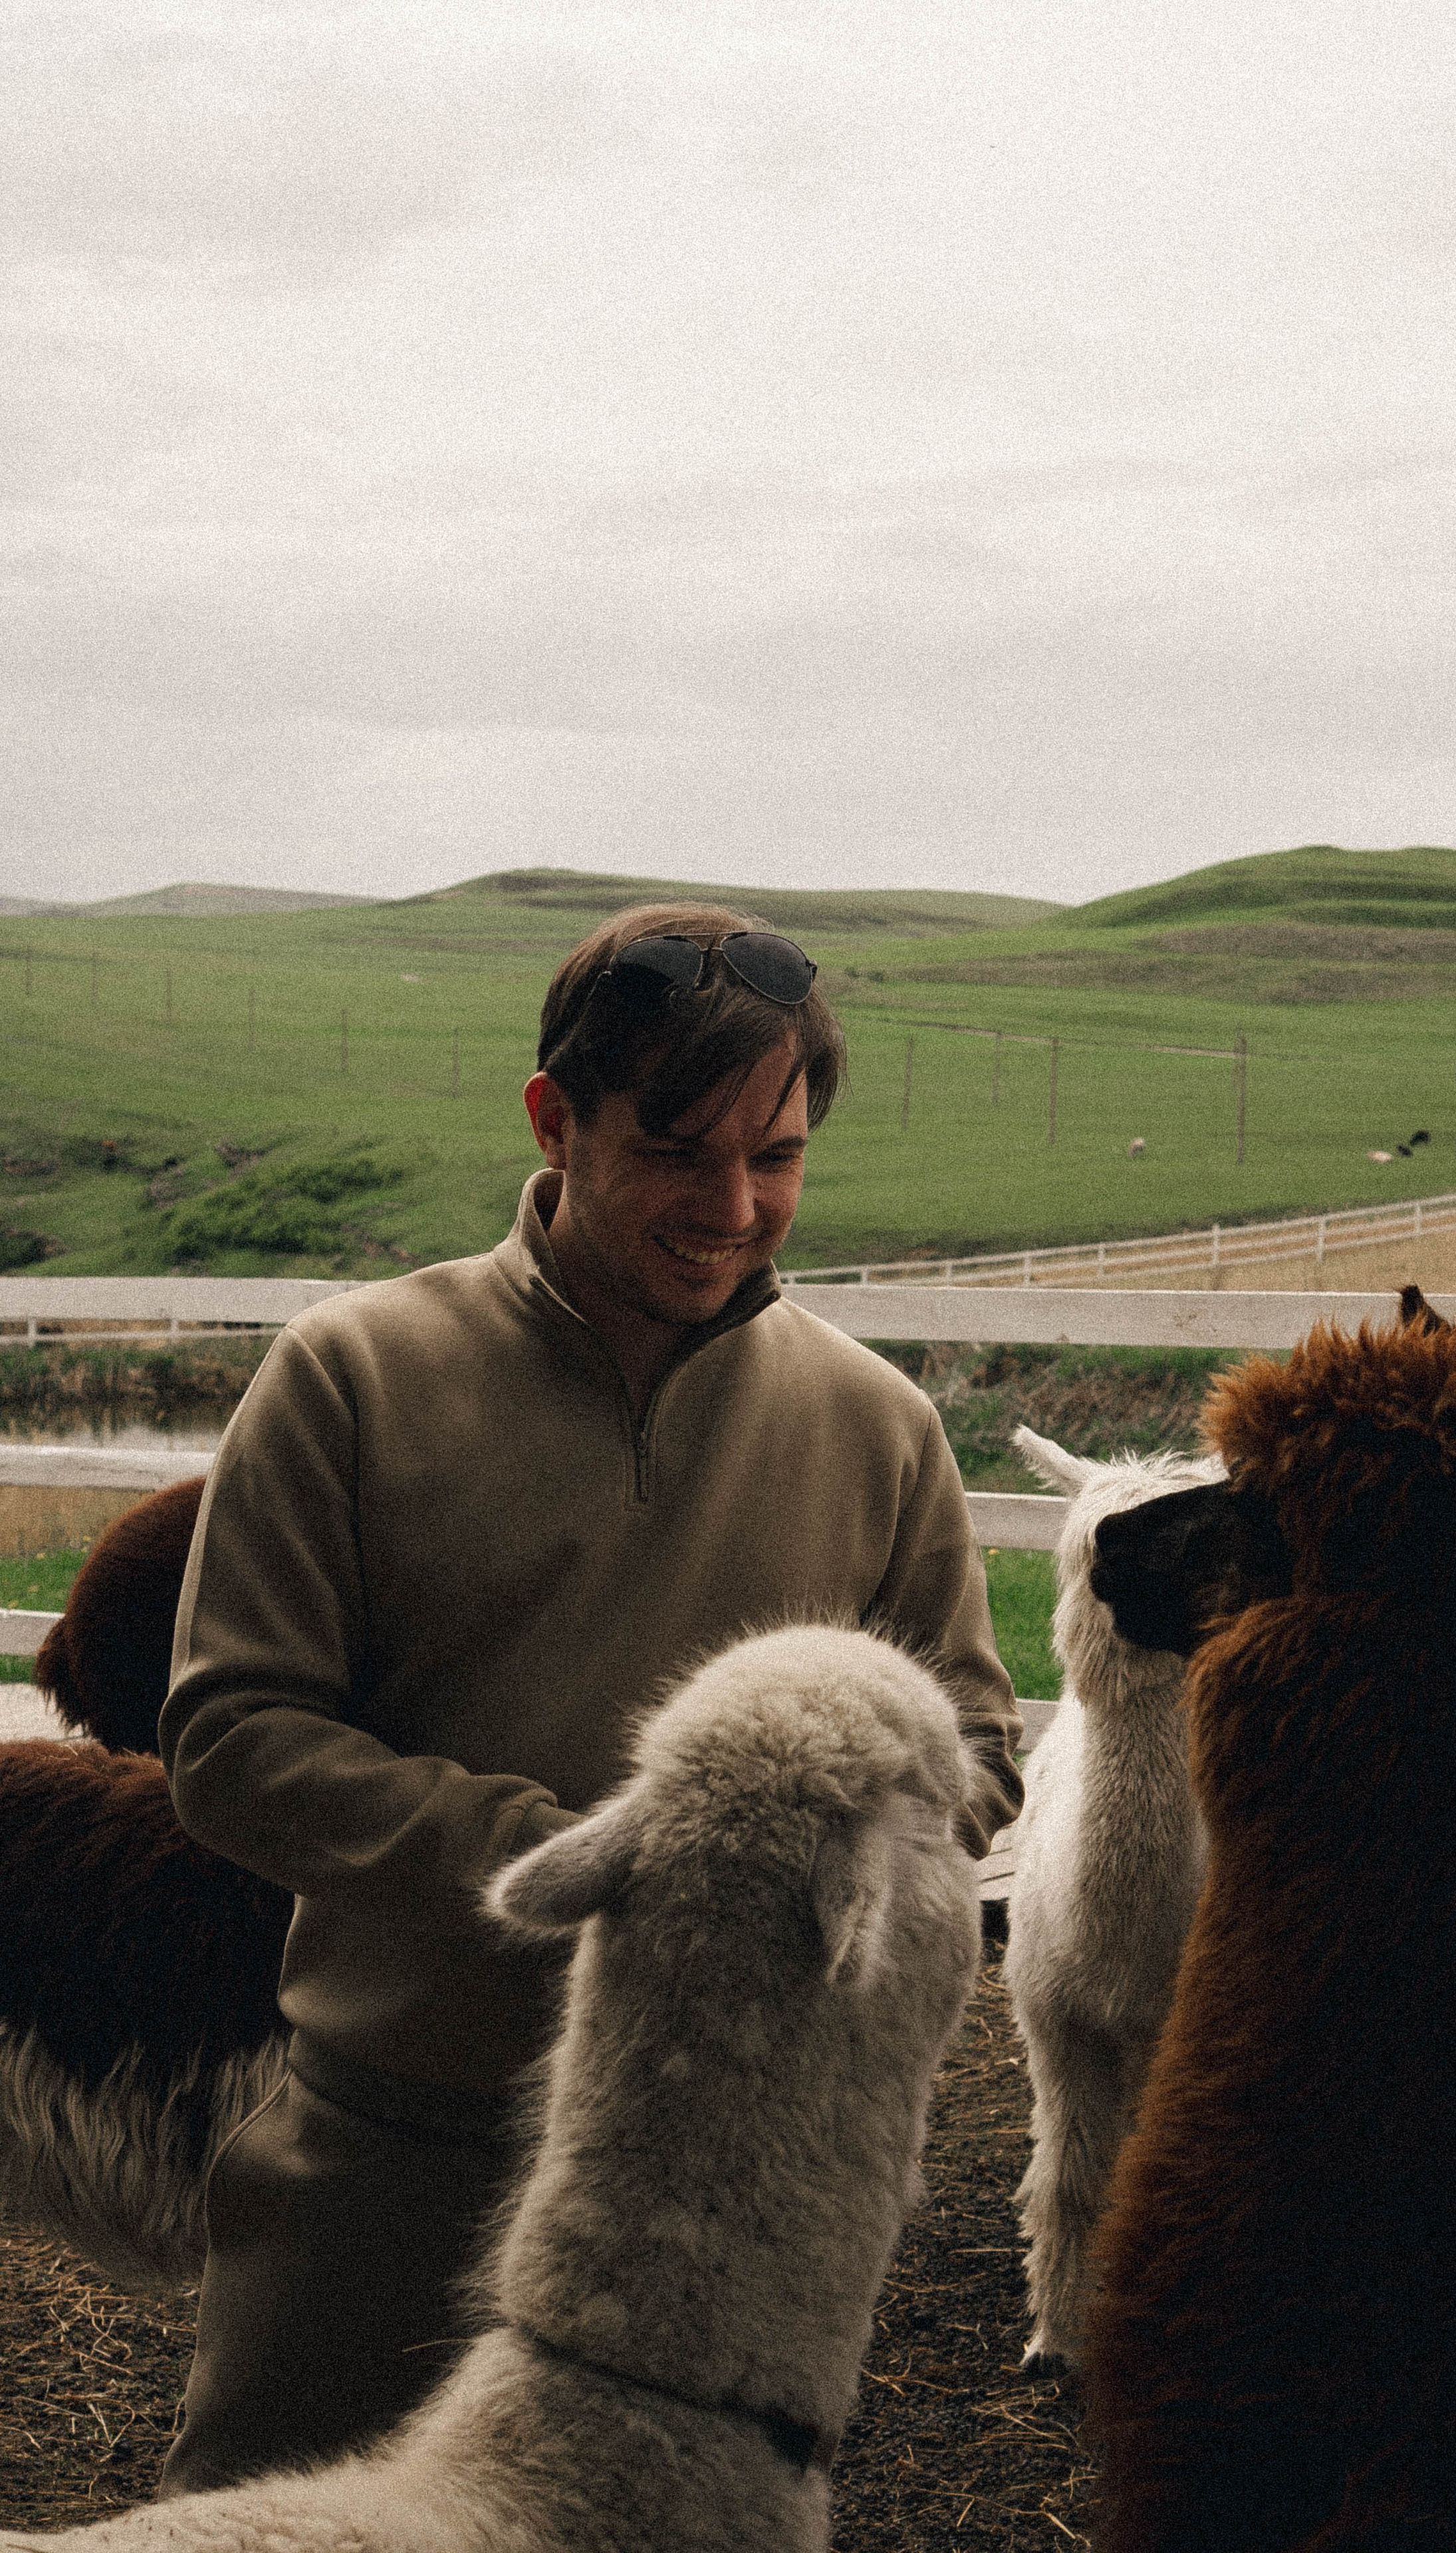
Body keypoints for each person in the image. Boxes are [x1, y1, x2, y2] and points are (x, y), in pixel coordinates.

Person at [156, 900, 1023, 2496]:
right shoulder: (349, 1378)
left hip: (711, 2195)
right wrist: (564, 1857)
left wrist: (773, 1850)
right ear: (555, 1120)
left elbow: (970, 1745)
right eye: (679, 1151)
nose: (732, 1206)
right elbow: (231, 1741)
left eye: (777, 1156)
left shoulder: (876, 1427)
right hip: (388, 2159)